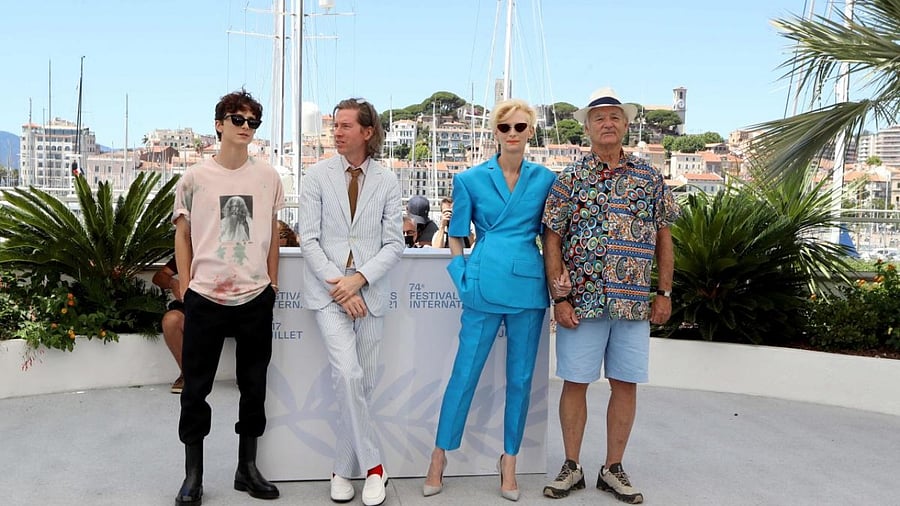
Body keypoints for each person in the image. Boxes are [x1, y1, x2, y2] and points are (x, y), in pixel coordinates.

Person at [541, 87, 680, 504]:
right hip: (581, 302)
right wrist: (558, 297)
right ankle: (571, 465)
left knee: (626, 384)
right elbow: (552, 237)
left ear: (626, 125)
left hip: (634, 303)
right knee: (576, 382)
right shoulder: (568, 179)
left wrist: (665, 292)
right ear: (587, 127)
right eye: (599, 118)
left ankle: (613, 468)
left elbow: (664, 237)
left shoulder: (649, 177)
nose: (608, 123)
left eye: (615, 117)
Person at [423, 99, 557, 502]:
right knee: (464, 374)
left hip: (528, 286)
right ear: (494, 132)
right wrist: (461, 275)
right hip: (481, 282)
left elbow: (552, 235)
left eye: (519, 127)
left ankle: (510, 460)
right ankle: (439, 455)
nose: (512, 133)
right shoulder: (469, 179)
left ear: (530, 131)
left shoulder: (547, 179)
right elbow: (458, 233)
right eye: (505, 127)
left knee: (520, 379)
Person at [172, 89, 284, 504]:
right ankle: (193, 476)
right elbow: (181, 235)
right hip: (205, 296)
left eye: (253, 122)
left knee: (254, 387)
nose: (246, 128)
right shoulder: (195, 178)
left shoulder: (268, 176)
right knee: (195, 390)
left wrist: (272, 283)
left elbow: (271, 233)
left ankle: (247, 468)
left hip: (254, 296)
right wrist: (185, 286)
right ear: (219, 124)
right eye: (238, 120)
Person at [297, 98, 404, 506]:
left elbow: (394, 244)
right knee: (349, 375)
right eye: (335, 126)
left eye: (345, 126)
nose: (336, 132)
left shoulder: (387, 181)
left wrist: (358, 280)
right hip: (328, 297)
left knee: (362, 385)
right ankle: (376, 468)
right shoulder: (316, 177)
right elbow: (308, 239)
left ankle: (343, 467)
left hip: (371, 296)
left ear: (367, 132)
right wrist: (339, 286)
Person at [151, 256, 185, 394]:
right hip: (196, 306)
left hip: (233, 305)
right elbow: (159, 276)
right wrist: (173, 283)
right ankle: (188, 374)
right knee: (171, 320)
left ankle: (248, 373)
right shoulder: (191, 247)